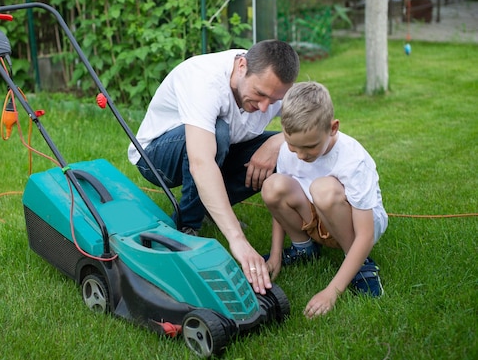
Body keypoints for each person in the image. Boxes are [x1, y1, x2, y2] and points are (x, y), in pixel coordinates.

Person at [128, 40, 300, 295]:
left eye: (274, 100)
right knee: (218, 133)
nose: (265, 107)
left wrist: (279, 141)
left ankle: (211, 206)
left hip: (217, 150)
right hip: (157, 157)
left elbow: (316, 122)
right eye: (261, 94)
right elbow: (201, 162)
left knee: (291, 148)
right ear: (242, 66)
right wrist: (238, 241)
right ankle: (186, 228)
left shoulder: (274, 87)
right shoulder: (204, 80)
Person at [261, 81, 388, 318]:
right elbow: (278, 208)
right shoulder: (291, 151)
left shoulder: (352, 160)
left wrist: (331, 291)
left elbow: (365, 234)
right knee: (272, 187)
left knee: (324, 190)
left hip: (356, 225)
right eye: (292, 145)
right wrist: (275, 253)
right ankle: (304, 250)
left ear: (333, 128)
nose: (300, 155)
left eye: (309, 147)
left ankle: (361, 267)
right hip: (317, 215)